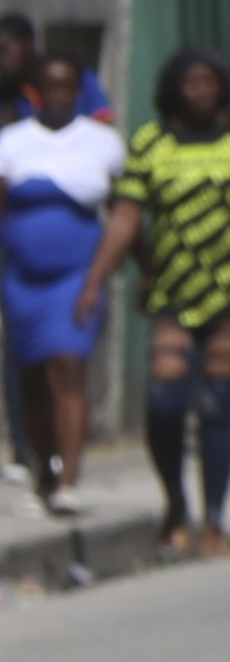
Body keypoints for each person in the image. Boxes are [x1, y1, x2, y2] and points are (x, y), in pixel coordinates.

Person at [0, 52, 132, 519]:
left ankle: (69, 480)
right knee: (33, 378)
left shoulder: (103, 143)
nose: (57, 97)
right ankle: (44, 468)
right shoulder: (12, 143)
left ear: (78, 92)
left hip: (78, 275)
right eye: (48, 88)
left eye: (67, 88)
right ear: (34, 93)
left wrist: (121, 270)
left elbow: (127, 212)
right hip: (22, 278)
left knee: (68, 365)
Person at [103, 51, 230, 556]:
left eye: (209, 82)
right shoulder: (149, 144)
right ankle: (175, 500)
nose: (200, 90)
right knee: (165, 403)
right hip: (174, 289)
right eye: (190, 82)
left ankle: (216, 518)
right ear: (173, 88)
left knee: (220, 407)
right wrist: (96, 280)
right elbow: (125, 218)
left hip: (226, 291)